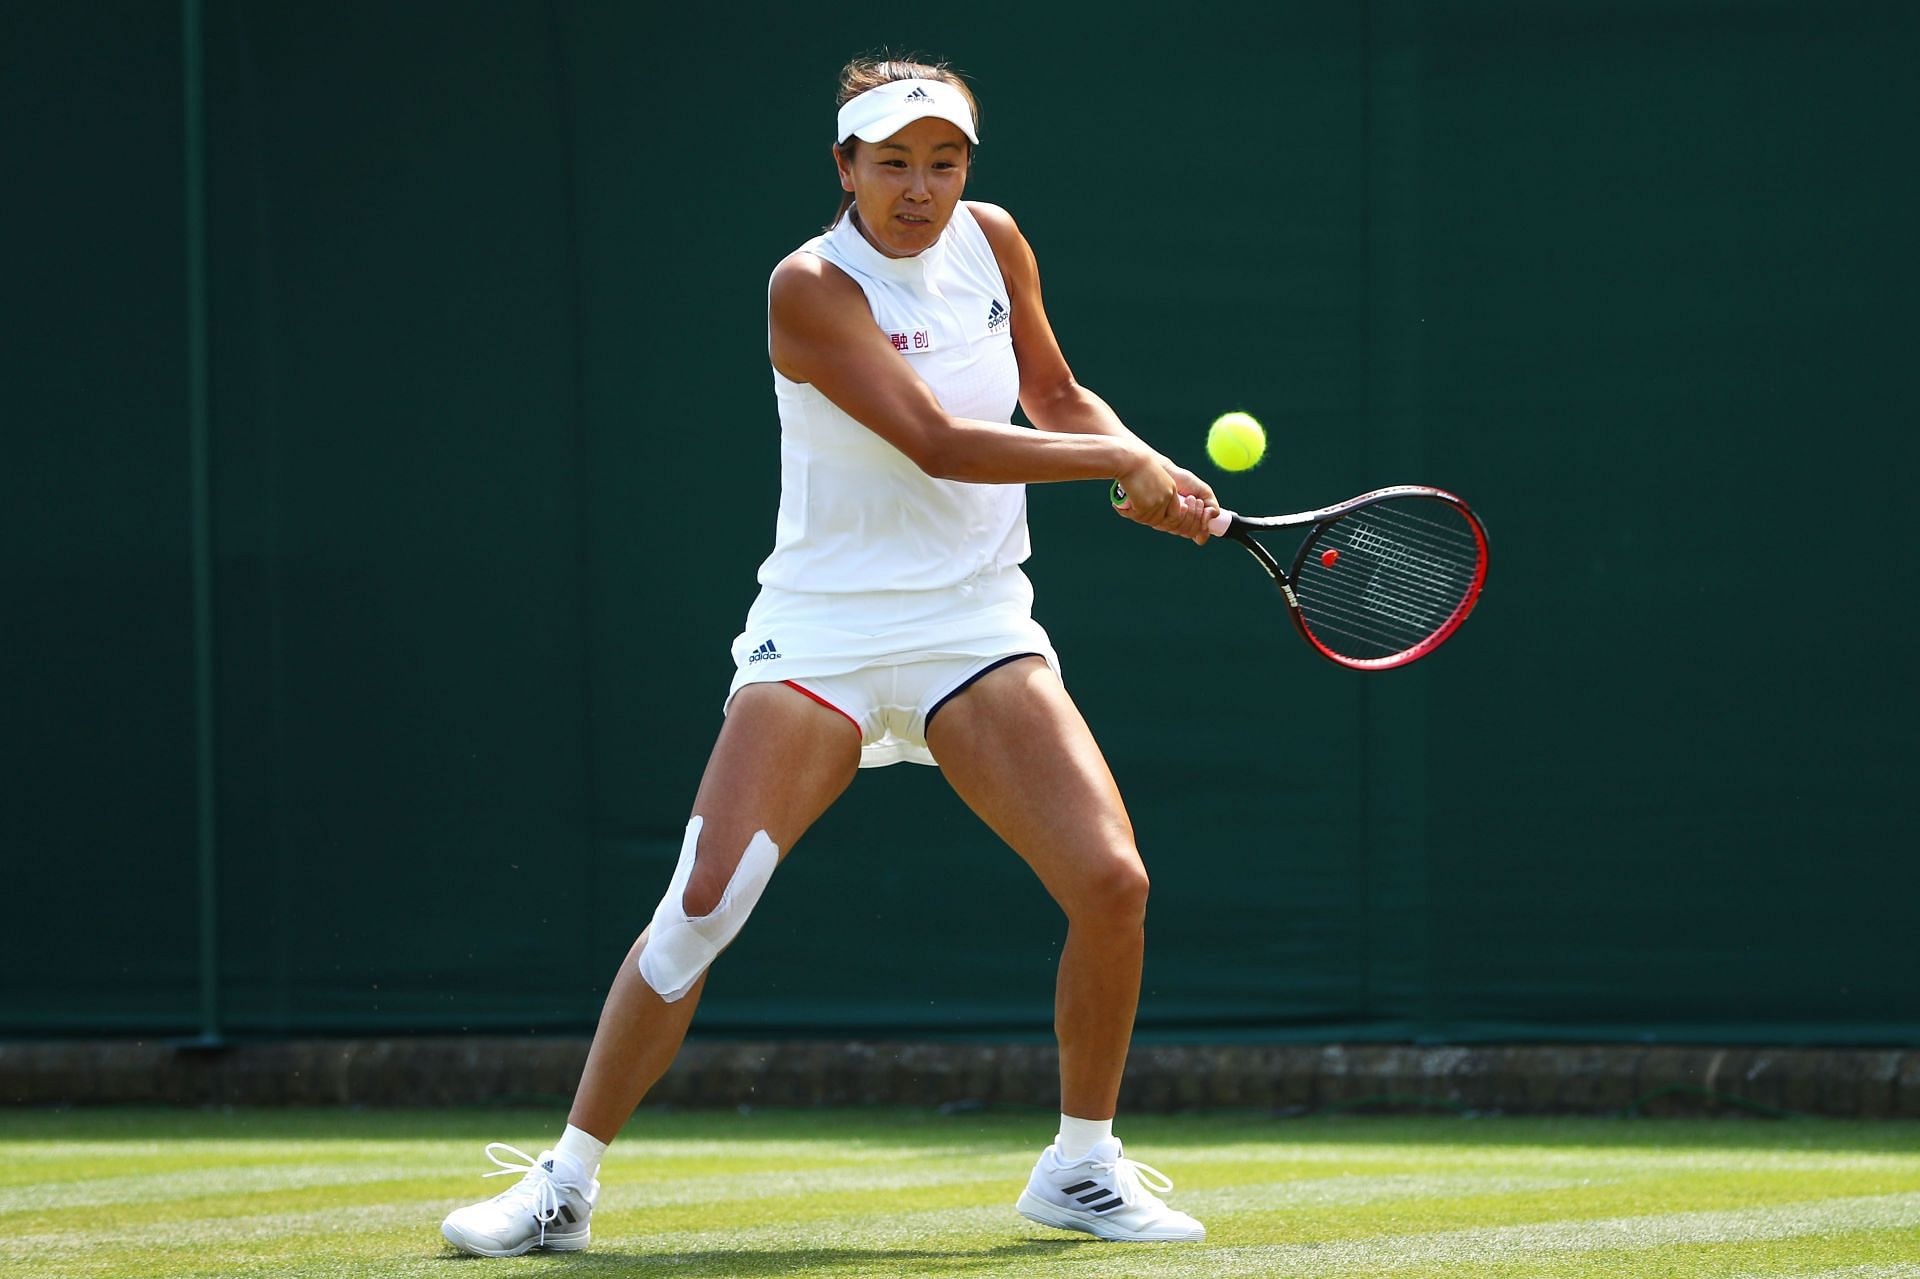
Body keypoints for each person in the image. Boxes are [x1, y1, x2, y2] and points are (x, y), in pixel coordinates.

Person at [440, 55, 1218, 1257]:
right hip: (825, 635)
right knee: (703, 908)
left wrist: (1144, 460)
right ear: (844, 166)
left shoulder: (995, 241)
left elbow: (1053, 393)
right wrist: (1121, 468)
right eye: (894, 162)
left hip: (974, 627)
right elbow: (939, 444)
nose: (921, 188)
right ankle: (563, 1184)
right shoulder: (809, 286)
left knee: (1113, 883)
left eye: (944, 161)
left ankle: (1082, 1166)